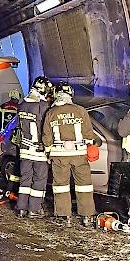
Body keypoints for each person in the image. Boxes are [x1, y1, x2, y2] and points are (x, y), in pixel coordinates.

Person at [43, 81, 96, 227]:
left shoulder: (51, 113)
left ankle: (63, 216)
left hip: (59, 156)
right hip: (79, 155)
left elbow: (46, 137)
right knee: (84, 185)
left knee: (61, 186)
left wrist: (48, 153)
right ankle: (87, 216)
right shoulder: (80, 110)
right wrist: (89, 146)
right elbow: (88, 134)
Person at [14, 76, 51, 219]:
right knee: (39, 179)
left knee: (25, 179)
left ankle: (21, 208)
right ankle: (34, 209)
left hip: (24, 149)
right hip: (38, 150)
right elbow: (45, 129)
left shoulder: (22, 104)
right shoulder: (42, 105)